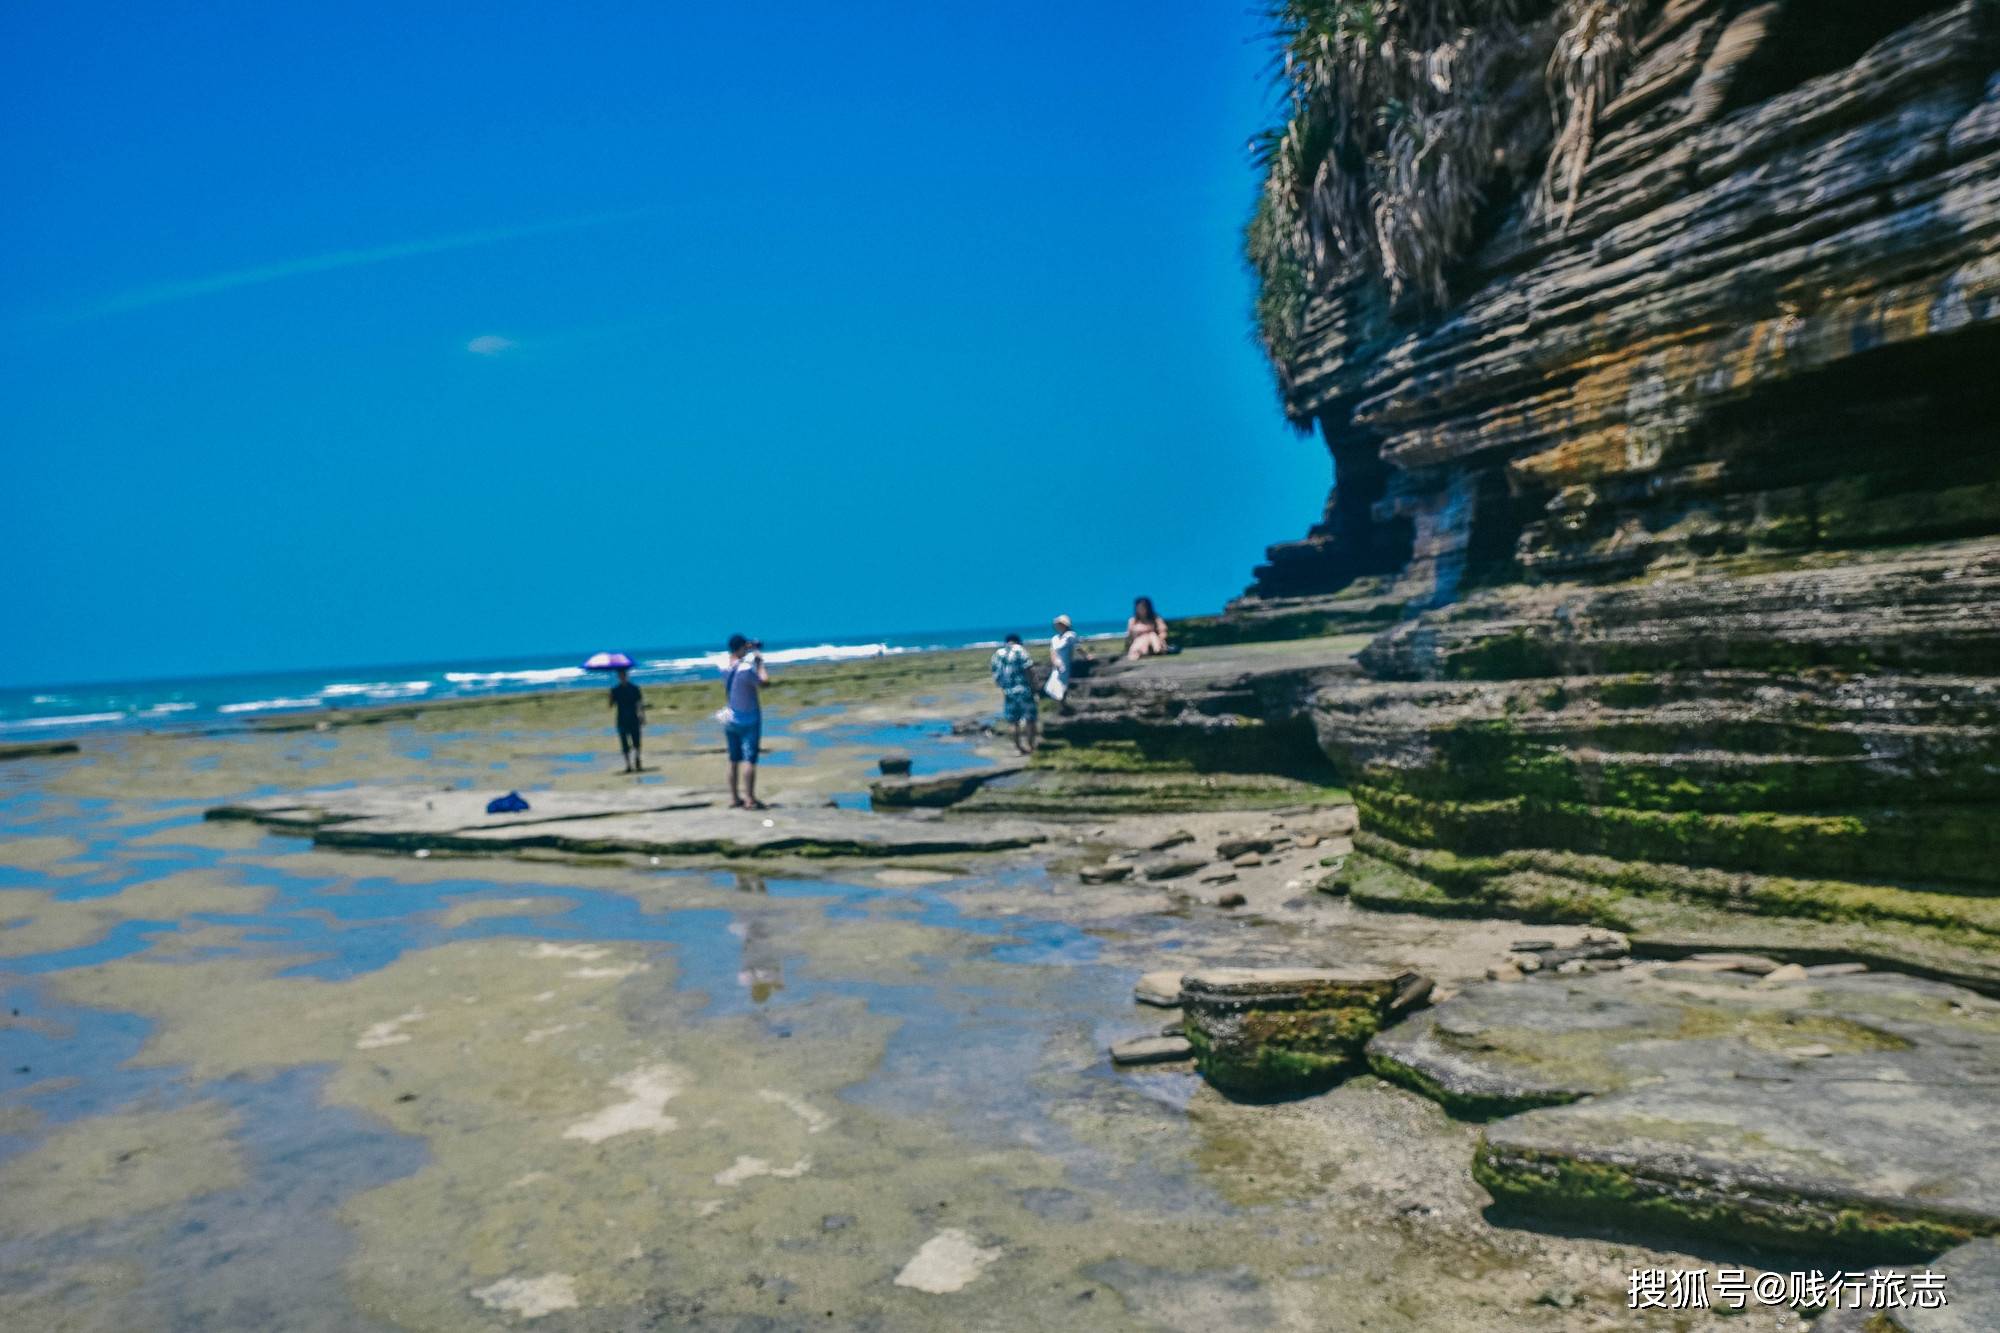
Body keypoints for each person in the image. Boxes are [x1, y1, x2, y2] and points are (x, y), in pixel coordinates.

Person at [721, 633, 769, 809]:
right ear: (742, 647)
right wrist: (760, 663)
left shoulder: (724, 666)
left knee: (733, 759)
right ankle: (749, 798)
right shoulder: (746, 670)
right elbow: (764, 682)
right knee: (750, 759)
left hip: (730, 718)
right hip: (749, 718)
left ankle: (734, 798)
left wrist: (746, 650)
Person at [990, 633, 1038, 754]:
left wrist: (1004, 687)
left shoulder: (997, 654)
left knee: (1013, 721)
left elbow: (996, 676)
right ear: (1018, 641)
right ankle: (1031, 746)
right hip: (1024, 689)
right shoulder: (1020, 650)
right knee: (1030, 719)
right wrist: (1034, 686)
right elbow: (1029, 669)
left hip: (1009, 692)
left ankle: (1019, 747)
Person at [1046, 613, 1090, 706]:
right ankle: (1060, 706)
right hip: (1057, 665)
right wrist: (1054, 661)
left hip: (1065, 664)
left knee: (1062, 685)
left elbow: (1077, 647)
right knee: (1053, 686)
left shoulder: (1070, 635)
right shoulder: (1055, 638)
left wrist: (1086, 656)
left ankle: (1064, 705)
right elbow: (1052, 652)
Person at [607, 666, 645, 772]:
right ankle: (628, 765)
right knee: (624, 743)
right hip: (622, 719)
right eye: (621, 676)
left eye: (624, 675)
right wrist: (610, 696)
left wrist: (642, 716)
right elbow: (610, 705)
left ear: (627, 676)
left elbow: (639, 703)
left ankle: (637, 758)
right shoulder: (615, 690)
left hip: (633, 717)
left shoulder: (634, 688)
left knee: (636, 741)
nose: (622, 677)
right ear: (618, 677)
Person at [1125, 595, 1169, 660]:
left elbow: (1163, 631)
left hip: (1155, 641)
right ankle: (1140, 652)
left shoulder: (1155, 618)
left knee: (1151, 635)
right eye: (1139, 608)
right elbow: (1129, 636)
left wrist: (1160, 639)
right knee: (1144, 638)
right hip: (1138, 642)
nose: (1141, 610)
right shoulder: (1132, 621)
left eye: (1143, 608)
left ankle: (1156, 650)